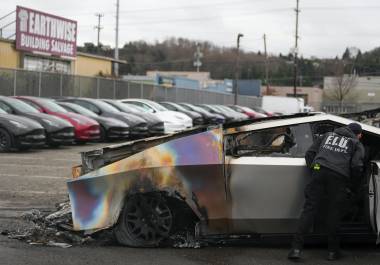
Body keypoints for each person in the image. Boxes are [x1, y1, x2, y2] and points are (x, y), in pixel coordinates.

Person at [288, 123, 365, 261]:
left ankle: (296, 249)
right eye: (360, 135)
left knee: (309, 210)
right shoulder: (356, 143)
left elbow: (310, 154)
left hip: (319, 170)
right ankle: (332, 252)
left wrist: (315, 170)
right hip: (338, 177)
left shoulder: (327, 135)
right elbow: (357, 166)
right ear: (358, 134)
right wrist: (351, 184)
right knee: (334, 213)